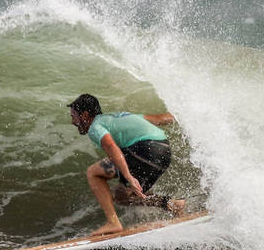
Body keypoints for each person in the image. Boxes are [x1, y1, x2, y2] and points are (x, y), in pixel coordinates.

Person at [68, 93, 186, 236]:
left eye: (74, 116)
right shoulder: (120, 117)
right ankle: (172, 205)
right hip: (164, 152)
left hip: (145, 151)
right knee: (123, 196)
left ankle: (113, 223)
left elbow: (111, 146)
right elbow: (158, 119)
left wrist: (129, 176)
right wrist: (187, 116)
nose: (73, 122)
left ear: (85, 115)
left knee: (93, 172)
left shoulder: (95, 127)